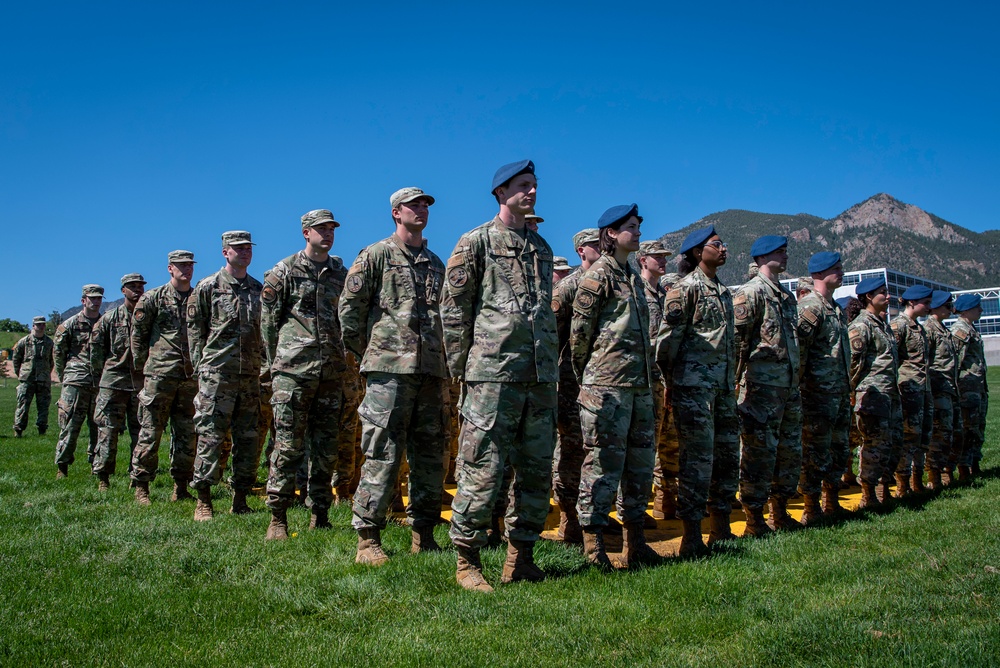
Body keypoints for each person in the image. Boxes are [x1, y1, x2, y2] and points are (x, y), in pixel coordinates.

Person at [441, 159, 557, 592]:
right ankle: (467, 562)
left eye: (534, 185)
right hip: (491, 376)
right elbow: (453, 311)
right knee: (481, 468)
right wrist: (462, 372)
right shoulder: (476, 243)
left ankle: (520, 555)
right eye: (523, 186)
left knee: (535, 470)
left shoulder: (542, 248)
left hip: (540, 376)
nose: (531, 192)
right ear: (500, 193)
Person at [339, 186, 449, 564]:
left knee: (432, 455)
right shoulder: (376, 255)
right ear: (395, 213)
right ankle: (368, 538)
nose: (421, 210)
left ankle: (425, 534)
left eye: (425, 206)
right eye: (413, 206)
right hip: (389, 372)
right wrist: (370, 354)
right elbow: (349, 313)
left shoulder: (436, 263)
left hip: (431, 372)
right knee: (382, 453)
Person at [570, 203, 660, 569]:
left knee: (639, 467)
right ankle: (594, 547)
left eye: (638, 226)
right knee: (602, 466)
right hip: (606, 387)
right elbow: (579, 336)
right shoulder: (599, 277)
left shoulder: (633, 278)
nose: (637, 233)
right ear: (611, 234)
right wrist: (591, 380)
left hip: (639, 387)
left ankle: (635, 543)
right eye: (631, 227)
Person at [261, 209, 348, 539]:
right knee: (287, 447)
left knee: (326, 448)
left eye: (331, 229)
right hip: (293, 372)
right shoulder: (284, 271)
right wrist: (277, 365)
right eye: (320, 229)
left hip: (330, 372)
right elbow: (268, 324)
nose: (327, 234)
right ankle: (278, 517)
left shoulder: (340, 272)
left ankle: (320, 513)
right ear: (305, 233)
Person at [655, 225, 738, 557]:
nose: (723, 248)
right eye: (716, 244)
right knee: (697, 461)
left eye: (723, 243)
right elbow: (665, 344)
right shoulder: (684, 290)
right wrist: (671, 384)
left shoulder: (724, 291)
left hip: (723, 388)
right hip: (694, 389)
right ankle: (692, 536)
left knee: (726, 458)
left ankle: (721, 528)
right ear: (695, 253)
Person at [187, 231, 263, 519]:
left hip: (250, 376)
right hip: (217, 375)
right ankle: (204, 500)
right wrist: (202, 368)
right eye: (238, 248)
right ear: (225, 252)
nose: (245, 252)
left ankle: (240, 498)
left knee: (248, 439)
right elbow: (195, 332)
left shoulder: (258, 289)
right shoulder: (208, 287)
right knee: (210, 437)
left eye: (248, 248)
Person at [733, 236, 803, 535]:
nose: (785, 256)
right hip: (760, 388)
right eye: (779, 252)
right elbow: (738, 344)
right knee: (759, 453)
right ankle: (754, 518)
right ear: (762, 256)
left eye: (786, 251)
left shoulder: (786, 298)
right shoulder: (750, 294)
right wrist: (735, 384)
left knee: (787, 451)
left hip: (787, 388)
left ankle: (780, 511)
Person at [130, 251, 198, 504]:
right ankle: (141, 486)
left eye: (190, 265)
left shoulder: (198, 297)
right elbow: (138, 337)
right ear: (170, 268)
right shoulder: (152, 299)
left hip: (189, 376)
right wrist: (142, 368)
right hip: (159, 375)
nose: (186, 270)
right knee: (150, 432)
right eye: (181, 265)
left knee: (187, 435)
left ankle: (181, 487)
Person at [550, 228, 601, 544]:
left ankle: (594, 515)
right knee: (571, 449)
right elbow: (552, 339)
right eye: (597, 245)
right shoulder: (566, 289)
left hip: (600, 381)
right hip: (571, 383)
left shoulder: (608, 284)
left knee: (597, 451)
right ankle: (569, 519)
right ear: (582, 250)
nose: (603, 249)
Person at [795, 252, 851, 524]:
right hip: (816, 394)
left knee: (838, 449)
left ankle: (831, 501)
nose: (840, 272)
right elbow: (800, 353)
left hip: (837, 392)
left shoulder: (836, 309)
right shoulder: (810, 307)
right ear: (819, 273)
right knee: (815, 451)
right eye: (835, 269)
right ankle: (811, 506)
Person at [848, 277, 901, 509]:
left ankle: (882, 488)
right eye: (883, 292)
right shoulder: (861, 326)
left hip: (887, 393)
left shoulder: (882, 324)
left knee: (889, 442)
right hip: (869, 393)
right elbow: (852, 363)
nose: (888, 296)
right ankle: (868, 493)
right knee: (873, 444)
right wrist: (851, 391)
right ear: (869, 297)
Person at [636, 239, 679, 521]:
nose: (663, 261)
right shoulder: (637, 292)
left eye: (665, 256)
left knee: (669, 445)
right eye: (657, 257)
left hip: (664, 380)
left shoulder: (661, 295)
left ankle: (665, 501)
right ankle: (636, 510)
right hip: (646, 380)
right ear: (643, 260)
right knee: (644, 446)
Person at [90, 274, 146, 490]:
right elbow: (96, 352)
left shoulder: (148, 317)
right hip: (113, 382)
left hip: (140, 383)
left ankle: (137, 476)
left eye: (140, 287)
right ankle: (103, 476)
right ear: (123, 290)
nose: (137, 291)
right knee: (107, 431)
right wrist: (101, 376)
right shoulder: (109, 319)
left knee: (141, 432)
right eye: (132, 287)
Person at [54, 284, 104, 478]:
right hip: (76, 380)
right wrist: (64, 377)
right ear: (83, 300)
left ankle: (96, 465)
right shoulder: (70, 325)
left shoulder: (104, 323)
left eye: (99, 298)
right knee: (70, 425)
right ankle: (62, 465)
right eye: (92, 298)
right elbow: (58, 354)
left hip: (99, 382)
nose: (96, 301)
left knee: (99, 427)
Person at [890, 285, 933, 496]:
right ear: (912, 303)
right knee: (908, 437)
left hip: (922, 388)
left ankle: (917, 481)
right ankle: (903, 484)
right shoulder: (899, 326)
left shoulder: (919, 327)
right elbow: (892, 358)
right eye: (925, 302)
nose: (929, 307)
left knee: (921, 437)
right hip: (908, 389)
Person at [923, 290, 962, 489]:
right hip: (937, 389)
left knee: (951, 432)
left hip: (949, 388)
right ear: (937, 307)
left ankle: (947, 471)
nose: (951, 310)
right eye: (948, 306)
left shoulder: (943, 330)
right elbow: (924, 361)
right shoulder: (929, 330)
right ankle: (934, 477)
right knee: (939, 434)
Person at [950, 294, 988, 479]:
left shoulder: (971, 329)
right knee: (968, 428)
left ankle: (974, 462)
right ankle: (964, 466)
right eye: (977, 307)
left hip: (977, 388)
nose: (980, 310)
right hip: (967, 389)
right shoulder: (960, 330)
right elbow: (955, 362)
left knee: (978, 427)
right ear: (967, 310)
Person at [11, 316, 54, 438]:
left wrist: (45, 373)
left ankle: (42, 430)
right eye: (38, 324)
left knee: (43, 406)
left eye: (43, 324)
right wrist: (21, 373)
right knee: (22, 405)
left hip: (43, 379)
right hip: (27, 379)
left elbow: (52, 361)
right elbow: (16, 359)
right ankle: (18, 430)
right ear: (33, 326)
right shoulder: (24, 342)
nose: (41, 327)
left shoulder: (50, 343)